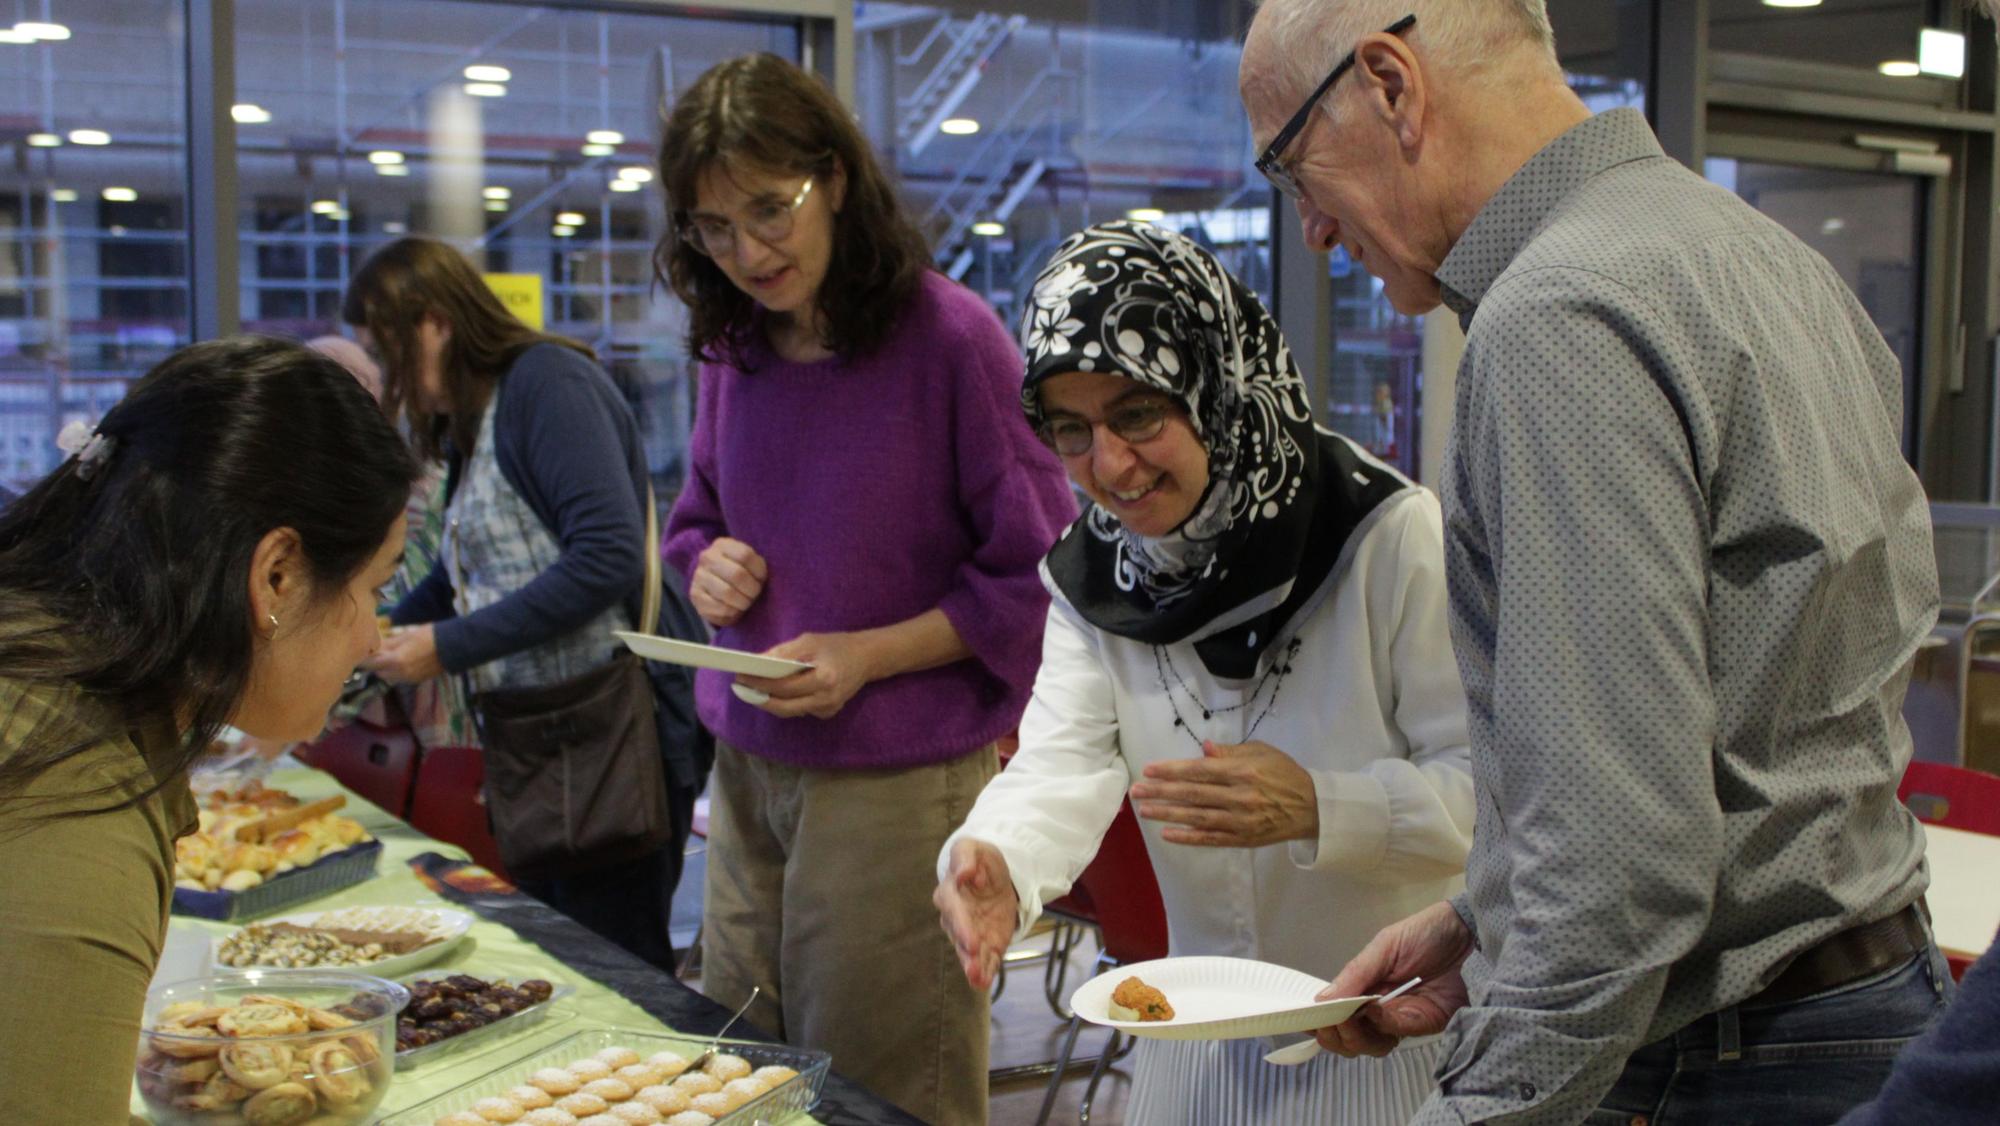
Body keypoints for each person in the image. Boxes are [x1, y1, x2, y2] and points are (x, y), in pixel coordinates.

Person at [1237, 3, 1949, 1122]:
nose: (1313, 231)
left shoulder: (1558, 317)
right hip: (1870, 998)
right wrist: (1483, 918)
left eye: (1289, 168)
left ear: (1388, 82)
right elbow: (1752, 714)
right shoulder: (1754, 255)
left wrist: (1469, 1107)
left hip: (1727, 1052)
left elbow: (1623, 873)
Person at [933, 221, 1474, 1123]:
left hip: (1382, 1038)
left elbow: (1490, 798)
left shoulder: (1385, 536)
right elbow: (1062, 764)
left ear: (1213, 381)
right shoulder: (1093, 571)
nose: (1109, 468)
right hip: (1194, 1052)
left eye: (1138, 414)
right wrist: (997, 858)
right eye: (1071, 431)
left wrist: (1322, 806)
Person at [656, 53, 1075, 1124]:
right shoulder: (731, 348)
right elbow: (691, 521)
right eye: (712, 227)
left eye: (768, 209)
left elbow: (1037, 576)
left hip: (898, 784)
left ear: (835, 179)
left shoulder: (949, 341)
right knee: (738, 1076)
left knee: (885, 1086)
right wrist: (703, 563)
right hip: (746, 773)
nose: (746, 252)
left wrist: (865, 655)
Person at [0, 336, 417, 1122]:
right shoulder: (72, 790)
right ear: (277, 576)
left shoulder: (57, 678)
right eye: (373, 585)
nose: (373, 635)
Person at [348, 236, 699, 971]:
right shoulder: (479, 414)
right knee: (567, 958)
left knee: (619, 965)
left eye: (386, 353)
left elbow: (604, 554)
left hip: (607, 731)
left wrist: (444, 646)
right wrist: (364, 639)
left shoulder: (545, 383)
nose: (387, 379)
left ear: (435, 322)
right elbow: (460, 570)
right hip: (545, 739)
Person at [307, 333, 476, 753]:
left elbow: (388, 625)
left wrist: (308, 709)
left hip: (423, 740)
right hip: (363, 732)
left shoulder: (412, 495)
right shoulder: (335, 489)